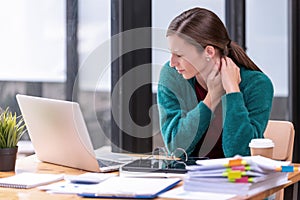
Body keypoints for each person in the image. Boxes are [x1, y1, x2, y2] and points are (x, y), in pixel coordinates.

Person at [157, 7, 274, 159]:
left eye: (179, 55)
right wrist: (212, 97)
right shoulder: (172, 76)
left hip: (236, 177)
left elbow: (240, 153)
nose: (172, 63)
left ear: (209, 52)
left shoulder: (257, 85)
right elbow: (176, 147)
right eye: (171, 53)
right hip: (188, 177)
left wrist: (232, 91)